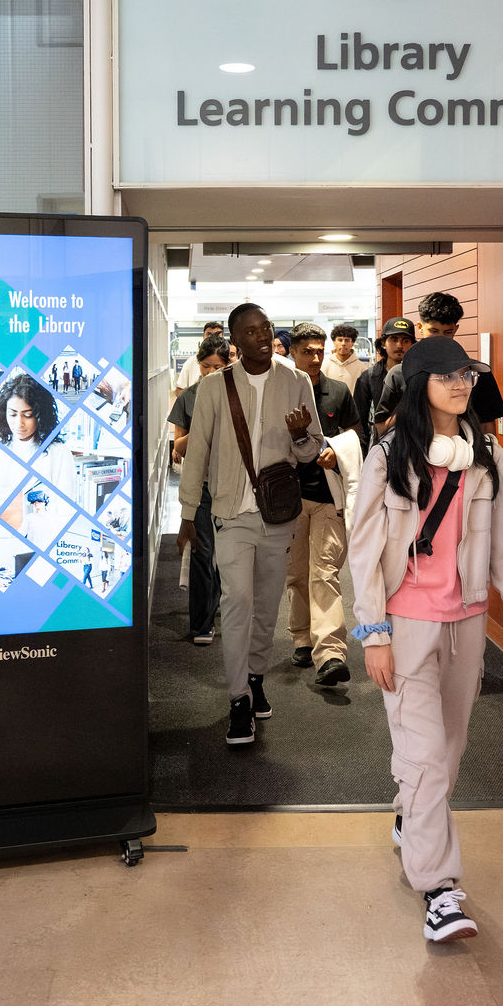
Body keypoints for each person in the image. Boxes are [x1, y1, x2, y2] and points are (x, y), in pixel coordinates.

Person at [347, 337, 503, 942]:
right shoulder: (387, 458)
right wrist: (373, 632)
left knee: (447, 751)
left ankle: (411, 816)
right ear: (420, 381)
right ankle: (439, 888)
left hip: (468, 622)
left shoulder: (488, 459)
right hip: (405, 626)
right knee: (426, 755)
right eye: (448, 375)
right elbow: (365, 552)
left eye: (468, 374)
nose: (462, 383)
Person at [176, 303, 323, 746]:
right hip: (230, 515)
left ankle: (256, 676)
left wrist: (301, 438)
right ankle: (239, 698)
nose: (262, 337)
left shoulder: (296, 381)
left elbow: (311, 450)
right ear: (235, 341)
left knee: (266, 607)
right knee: (237, 600)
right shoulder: (215, 387)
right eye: (251, 331)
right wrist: (186, 514)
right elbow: (196, 450)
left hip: (277, 516)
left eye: (266, 329)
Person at [284, 323, 362, 683]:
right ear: (293, 353)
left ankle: (330, 652)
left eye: (320, 351)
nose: (315, 358)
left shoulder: (339, 391)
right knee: (298, 575)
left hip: (330, 497)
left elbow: (355, 434)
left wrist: (336, 450)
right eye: (307, 352)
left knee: (325, 572)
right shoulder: (281, 393)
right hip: (290, 500)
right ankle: (302, 636)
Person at [374, 291, 503, 439]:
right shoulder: (399, 374)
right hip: (411, 455)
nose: (440, 339)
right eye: (434, 331)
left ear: (456, 329)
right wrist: (411, 407)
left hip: (467, 457)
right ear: (420, 327)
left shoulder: (477, 374)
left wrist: (488, 457)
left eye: (448, 332)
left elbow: (487, 427)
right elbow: (380, 428)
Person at [0, 373, 75, 539]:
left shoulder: (58, 452)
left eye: (27, 415)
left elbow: (66, 512)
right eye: (12, 414)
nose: (19, 423)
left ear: (40, 415)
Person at [167, 334, 229, 643]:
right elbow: (177, 445)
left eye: (218, 366)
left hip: (232, 483)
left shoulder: (237, 395)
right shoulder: (188, 398)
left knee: (231, 554)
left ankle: (220, 605)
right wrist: (204, 427)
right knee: (202, 552)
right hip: (201, 484)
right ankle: (201, 623)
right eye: (205, 366)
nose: (211, 373)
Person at [352, 316, 415, 455]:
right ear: (383, 343)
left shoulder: (419, 376)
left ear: (412, 344)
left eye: (405, 340)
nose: (399, 345)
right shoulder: (368, 378)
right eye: (394, 339)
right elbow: (359, 422)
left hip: (413, 448)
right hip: (378, 448)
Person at [174, 321, 225, 400]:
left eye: (217, 367)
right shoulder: (191, 362)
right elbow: (179, 389)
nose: (211, 372)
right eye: (209, 334)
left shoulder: (230, 362)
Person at [321, 322, 368, 391]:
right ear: (334, 342)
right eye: (340, 340)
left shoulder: (362, 368)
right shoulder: (325, 366)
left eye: (347, 340)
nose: (343, 344)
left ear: (352, 343)